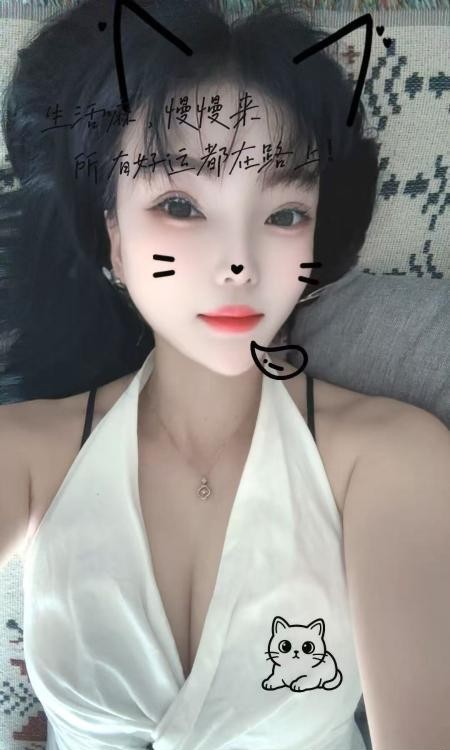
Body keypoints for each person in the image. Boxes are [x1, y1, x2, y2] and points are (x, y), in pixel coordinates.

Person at [1, 2, 449, 750]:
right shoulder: (27, 454)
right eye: (181, 205)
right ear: (114, 238)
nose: (239, 263)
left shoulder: (394, 458)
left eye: (284, 214)